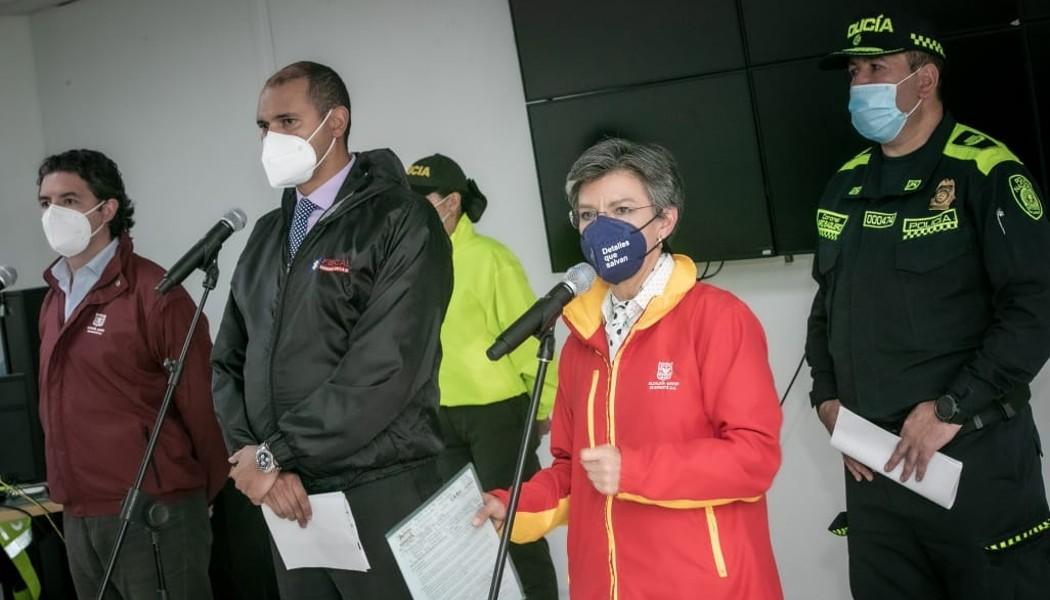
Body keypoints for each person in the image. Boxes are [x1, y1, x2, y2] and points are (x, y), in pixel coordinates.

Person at [806, 10, 1050, 599]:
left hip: (972, 461)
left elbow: (1035, 307)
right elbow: (827, 304)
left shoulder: (985, 170)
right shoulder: (845, 184)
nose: (860, 83)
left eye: (877, 69)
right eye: (854, 72)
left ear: (924, 79)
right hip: (874, 473)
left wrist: (949, 410)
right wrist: (827, 401)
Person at [474, 138, 784, 599]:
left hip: (704, 586)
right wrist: (512, 506)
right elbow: (570, 469)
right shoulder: (581, 335)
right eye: (587, 215)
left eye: (621, 210)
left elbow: (754, 458)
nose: (602, 229)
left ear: (664, 220)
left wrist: (634, 471)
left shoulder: (718, 319)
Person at [211, 61, 452, 599]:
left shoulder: (402, 220)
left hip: (376, 483)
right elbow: (228, 358)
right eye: (263, 125)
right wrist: (255, 458)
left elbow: (385, 367)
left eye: (288, 121)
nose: (272, 137)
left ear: (336, 121)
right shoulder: (269, 234)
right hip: (286, 494)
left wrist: (275, 453)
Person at [35, 149, 228, 599]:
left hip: (155, 513)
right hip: (80, 514)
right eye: (45, 203)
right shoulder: (52, 300)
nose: (53, 214)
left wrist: (200, 495)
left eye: (68, 200)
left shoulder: (155, 294)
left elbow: (205, 405)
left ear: (107, 209)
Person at [406, 153, 560, 598]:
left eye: (422, 201)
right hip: (437, 417)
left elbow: (533, 337)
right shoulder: (410, 261)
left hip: (498, 417)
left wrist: (543, 408)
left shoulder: (491, 259)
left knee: (517, 529)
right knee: (461, 534)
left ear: (451, 203)